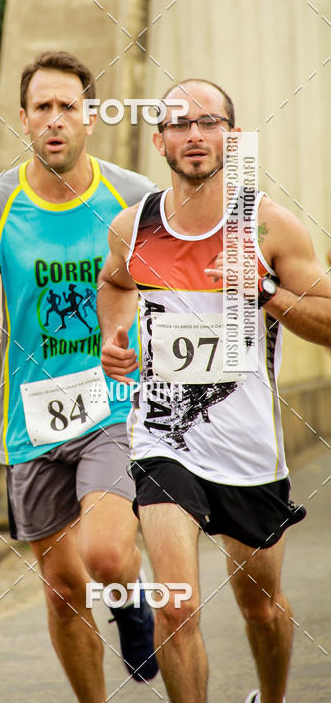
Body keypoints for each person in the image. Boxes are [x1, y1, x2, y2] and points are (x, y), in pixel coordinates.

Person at [98, 78, 331, 703]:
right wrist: (114, 336)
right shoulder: (133, 226)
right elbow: (115, 282)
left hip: (249, 449)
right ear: (159, 139)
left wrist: (266, 294)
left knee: (261, 608)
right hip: (163, 440)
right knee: (178, 610)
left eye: (208, 122)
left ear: (231, 135)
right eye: (180, 124)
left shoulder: (271, 227)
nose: (194, 135)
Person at [0, 51, 159, 700]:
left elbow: (177, 290)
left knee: (108, 556)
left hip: (114, 402)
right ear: (23, 119)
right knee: (63, 591)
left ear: (90, 118)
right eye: (43, 108)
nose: (56, 120)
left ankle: (132, 601)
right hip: (31, 417)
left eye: (69, 106)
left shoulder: (134, 196)